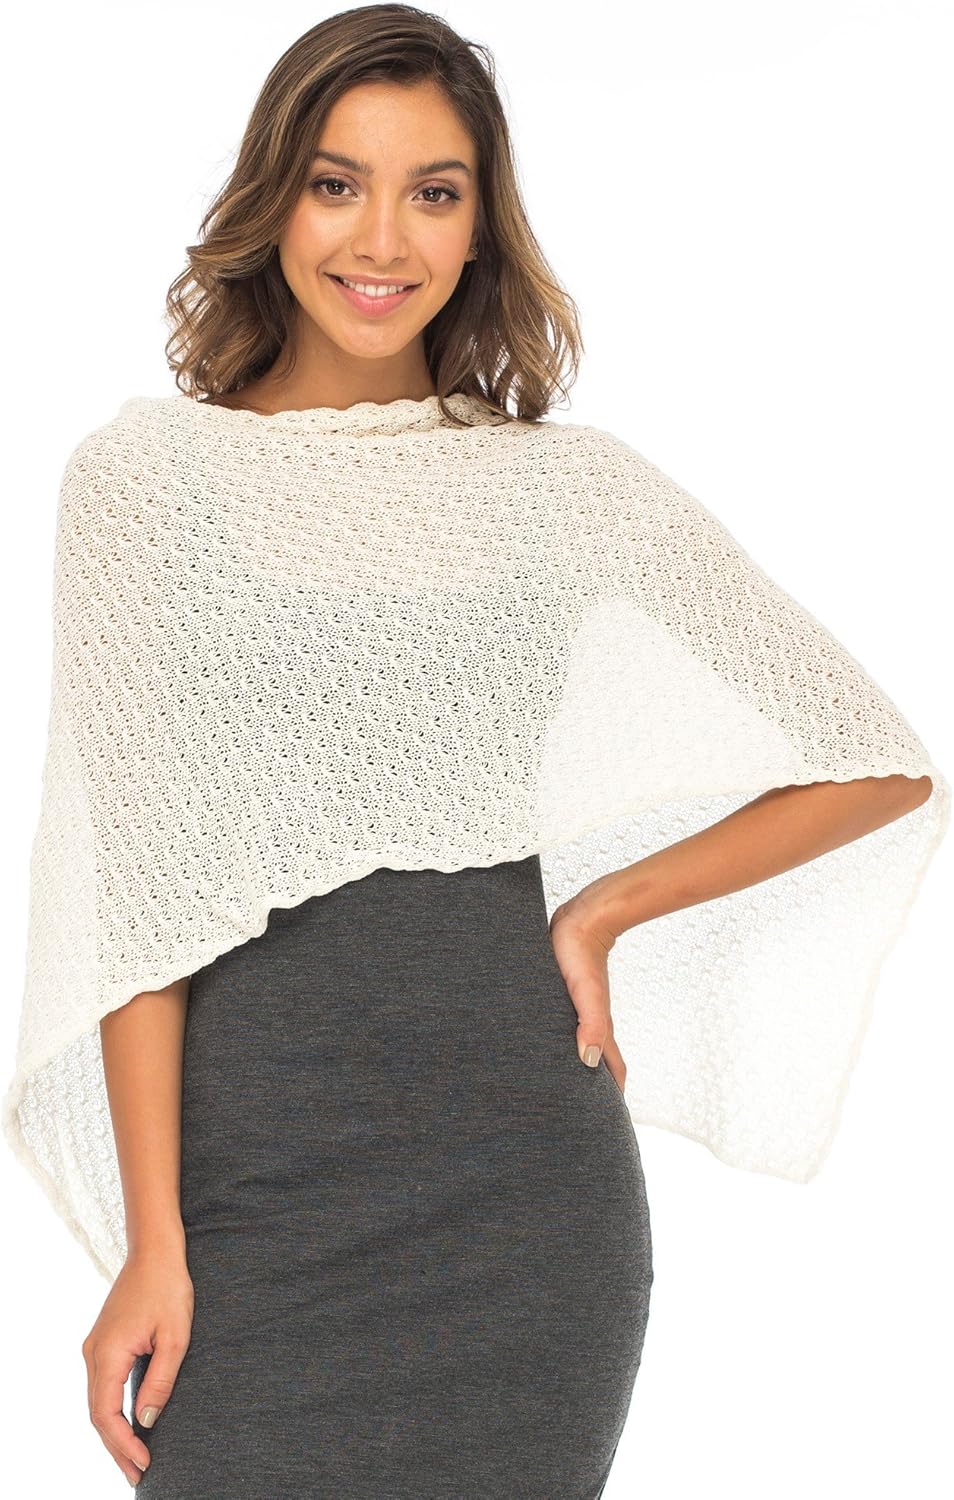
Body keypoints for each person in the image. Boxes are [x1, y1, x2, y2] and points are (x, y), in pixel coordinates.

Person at [2, 8, 946, 1499]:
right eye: (337, 183)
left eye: (432, 192)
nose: (382, 238)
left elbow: (874, 758)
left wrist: (604, 908)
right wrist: (152, 1242)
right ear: (272, 201)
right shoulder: (147, 480)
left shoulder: (556, 489)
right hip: (256, 1197)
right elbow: (141, 900)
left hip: (525, 1201)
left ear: (478, 226)